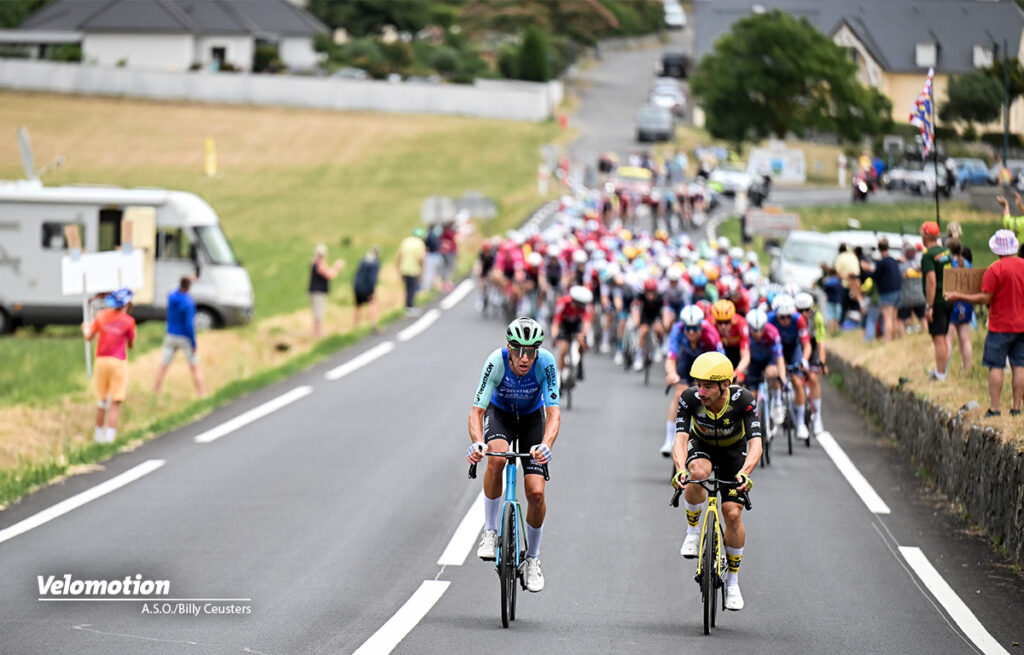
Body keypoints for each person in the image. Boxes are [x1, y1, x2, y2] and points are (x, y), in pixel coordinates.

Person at [467, 317, 561, 592]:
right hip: (501, 416)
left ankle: (533, 558)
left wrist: (546, 445)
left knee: (536, 493)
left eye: (531, 351)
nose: (524, 358)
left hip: (533, 419)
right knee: (496, 458)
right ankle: (490, 531)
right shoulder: (495, 362)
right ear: (509, 347)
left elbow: (554, 413)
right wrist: (477, 443)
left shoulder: (546, 363)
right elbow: (477, 411)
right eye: (518, 350)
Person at [671, 352, 762, 612]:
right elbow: (680, 438)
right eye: (698, 384)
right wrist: (680, 469)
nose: (701, 391)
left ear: (725, 385)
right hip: (702, 446)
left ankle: (733, 582)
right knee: (697, 472)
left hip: (735, 452)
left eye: (708, 386)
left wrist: (746, 471)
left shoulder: (743, 400)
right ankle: (692, 532)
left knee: (732, 513)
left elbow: (756, 443)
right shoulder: (689, 399)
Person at [946, 230, 1024, 417]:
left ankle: (995, 409)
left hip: (1000, 325)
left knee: (996, 366)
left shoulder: (995, 269)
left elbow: (983, 298)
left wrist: (958, 296)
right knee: (1019, 366)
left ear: (997, 249)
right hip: (1022, 324)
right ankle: (1016, 408)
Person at [662, 305, 725, 456]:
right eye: (688, 328)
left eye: (695, 328)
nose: (691, 332)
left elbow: (722, 360)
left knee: (714, 396)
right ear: (683, 326)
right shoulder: (677, 330)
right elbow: (671, 358)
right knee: (679, 396)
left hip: (707, 362)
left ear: (701, 326)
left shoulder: (710, 333)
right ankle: (669, 439)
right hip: (687, 360)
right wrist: (672, 374)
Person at [82, 288, 136, 444]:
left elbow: (89, 336)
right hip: (118, 361)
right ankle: (110, 437)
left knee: (102, 400)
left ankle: (98, 436)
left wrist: (85, 327)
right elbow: (131, 343)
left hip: (101, 361)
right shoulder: (128, 321)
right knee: (116, 401)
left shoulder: (101, 316)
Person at [768, 294, 812, 439]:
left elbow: (806, 344)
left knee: (797, 381)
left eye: (788, 316)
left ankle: (800, 423)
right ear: (776, 315)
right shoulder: (770, 320)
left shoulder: (798, 320)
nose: (786, 320)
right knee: (774, 373)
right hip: (776, 350)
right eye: (782, 317)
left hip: (793, 349)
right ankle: (777, 402)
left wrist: (804, 360)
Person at [153, 277, 205, 397]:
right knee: (195, 367)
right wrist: (193, 343)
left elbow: (179, 289)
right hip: (184, 337)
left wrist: (189, 279)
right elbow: (189, 325)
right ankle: (202, 395)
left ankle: (155, 392)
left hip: (170, 335)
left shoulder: (171, 297)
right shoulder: (188, 303)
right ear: (189, 287)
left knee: (163, 365)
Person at [920, 221, 952, 380]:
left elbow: (931, 281)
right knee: (944, 337)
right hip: (948, 298)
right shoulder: (946, 252)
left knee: (938, 337)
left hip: (937, 301)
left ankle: (940, 374)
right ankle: (942, 371)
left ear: (925, 235)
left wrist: (929, 306)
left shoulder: (928, 255)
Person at [795, 292, 827, 434]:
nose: (803, 314)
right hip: (798, 345)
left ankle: (818, 417)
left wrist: (822, 363)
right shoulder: (793, 319)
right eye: (799, 311)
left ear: (811, 309)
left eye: (806, 310)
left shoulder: (817, 318)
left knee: (813, 377)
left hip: (812, 345)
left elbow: (820, 342)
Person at [551, 285, 593, 385]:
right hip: (564, 325)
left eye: (581, 306)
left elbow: (586, 322)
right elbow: (556, 322)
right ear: (572, 301)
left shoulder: (585, 307)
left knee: (581, 342)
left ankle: (579, 362)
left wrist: (584, 336)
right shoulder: (562, 303)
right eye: (578, 305)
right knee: (563, 349)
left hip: (576, 324)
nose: (580, 308)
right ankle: (559, 375)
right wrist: (555, 336)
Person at [945, 238, 973, 374]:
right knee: (964, 338)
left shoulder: (949, 264)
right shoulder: (967, 263)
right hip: (966, 303)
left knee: (948, 338)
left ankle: (943, 369)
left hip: (952, 303)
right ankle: (967, 369)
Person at [309, 244, 345, 338]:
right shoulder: (319, 264)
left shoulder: (315, 262)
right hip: (318, 292)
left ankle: (317, 333)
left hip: (315, 291)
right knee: (319, 314)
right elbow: (330, 275)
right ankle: (318, 335)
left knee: (318, 314)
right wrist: (337, 267)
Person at [712, 298, 750, 383]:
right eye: (720, 322)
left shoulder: (741, 323)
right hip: (720, 351)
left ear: (732, 319)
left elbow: (746, 355)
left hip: (737, 351)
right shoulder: (709, 323)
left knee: (737, 379)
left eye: (727, 322)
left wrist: (737, 371)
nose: (723, 326)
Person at [872, 239, 902, 342]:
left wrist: (870, 270)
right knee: (894, 318)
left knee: (887, 319)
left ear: (879, 249)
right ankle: (894, 340)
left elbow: (875, 276)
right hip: (897, 291)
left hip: (887, 293)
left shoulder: (882, 262)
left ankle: (887, 342)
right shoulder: (893, 260)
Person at [897, 244, 926, 336]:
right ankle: (926, 336)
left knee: (900, 320)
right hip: (920, 296)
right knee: (923, 318)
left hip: (906, 298)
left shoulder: (902, 264)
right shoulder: (919, 263)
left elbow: (900, 276)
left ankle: (903, 338)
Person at [397, 228, 427, 314]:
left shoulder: (406, 241)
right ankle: (410, 306)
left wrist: (398, 267)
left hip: (404, 268)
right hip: (414, 269)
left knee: (407, 288)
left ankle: (407, 306)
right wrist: (422, 270)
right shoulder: (420, 244)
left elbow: (400, 255)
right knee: (413, 289)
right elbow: (421, 259)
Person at [353, 247, 380, 331]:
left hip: (357, 286)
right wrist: (371, 290)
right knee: (372, 303)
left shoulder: (363, 260)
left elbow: (357, 274)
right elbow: (372, 278)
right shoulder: (375, 263)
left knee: (358, 305)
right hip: (367, 287)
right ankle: (373, 324)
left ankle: (356, 325)